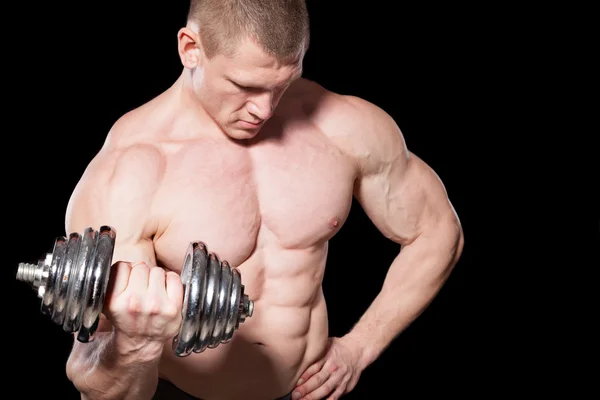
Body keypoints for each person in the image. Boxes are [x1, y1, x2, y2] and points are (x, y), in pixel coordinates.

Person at [63, 0, 464, 399]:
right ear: (190, 49)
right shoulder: (133, 168)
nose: (265, 109)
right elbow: (94, 380)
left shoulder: (341, 126)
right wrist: (136, 346)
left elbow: (438, 231)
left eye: (282, 85)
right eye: (245, 86)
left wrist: (360, 348)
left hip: (313, 391)